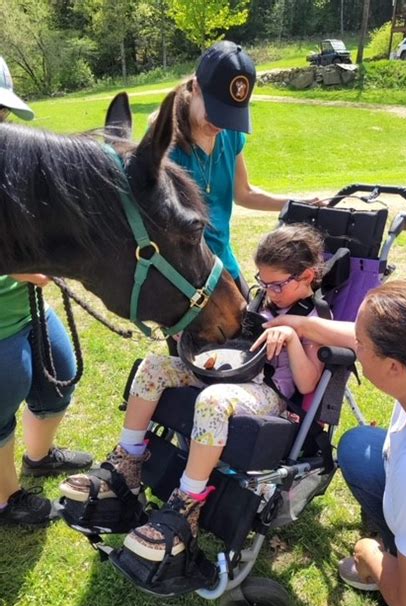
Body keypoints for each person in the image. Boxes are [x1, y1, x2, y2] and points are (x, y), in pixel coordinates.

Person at [60, 223, 326, 560]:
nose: (268, 291)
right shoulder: (261, 300)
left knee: (212, 401)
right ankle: (126, 465)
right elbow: (237, 342)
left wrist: (290, 337)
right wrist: (210, 351)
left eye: (278, 285)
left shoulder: (316, 316)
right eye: (263, 282)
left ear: (307, 276)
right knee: (155, 368)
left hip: (269, 394)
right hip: (233, 376)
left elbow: (307, 384)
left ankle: (187, 506)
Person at [264, 280, 406, 606]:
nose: (354, 346)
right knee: (360, 447)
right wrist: (297, 324)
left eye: (361, 344)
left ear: (394, 366)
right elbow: (350, 334)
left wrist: (370, 555)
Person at [0, 57, 92, 527]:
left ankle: (39, 457)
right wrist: (17, 272)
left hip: (26, 310)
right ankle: (5, 499)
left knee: (62, 368)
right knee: (4, 389)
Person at [151, 40, 319, 294]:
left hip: (223, 263)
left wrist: (298, 203)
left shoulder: (229, 135)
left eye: (229, 115)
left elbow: (244, 193)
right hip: (186, 276)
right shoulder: (164, 145)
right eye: (216, 112)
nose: (220, 124)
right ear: (196, 87)